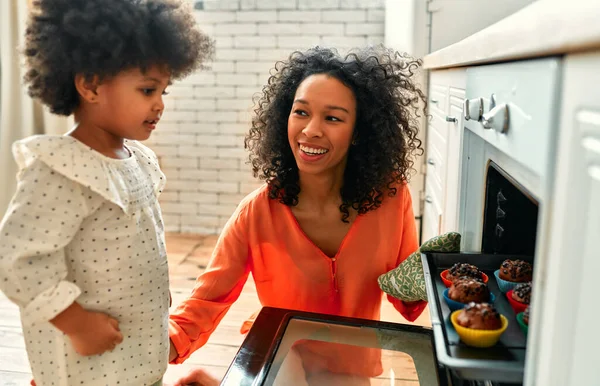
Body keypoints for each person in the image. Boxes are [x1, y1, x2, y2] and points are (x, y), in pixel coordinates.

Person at [168, 45, 428, 385]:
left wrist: (441, 274)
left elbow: (406, 296)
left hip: (352, 364)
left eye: (332, 118)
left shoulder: (392, 198)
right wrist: (158, 344)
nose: (310, 130)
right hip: (280, 352)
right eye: (301, 112)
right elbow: (205, 300)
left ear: (358, 133)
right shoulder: (257, 212)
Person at [0, 0, 212, 385]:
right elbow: (17, 259)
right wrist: (75, 322)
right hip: (87, 356)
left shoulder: (138, 160)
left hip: (136, 341)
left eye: (164, 90)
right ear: (91, 85)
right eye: (148, 90)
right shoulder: (61, 170)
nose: (160, 104)